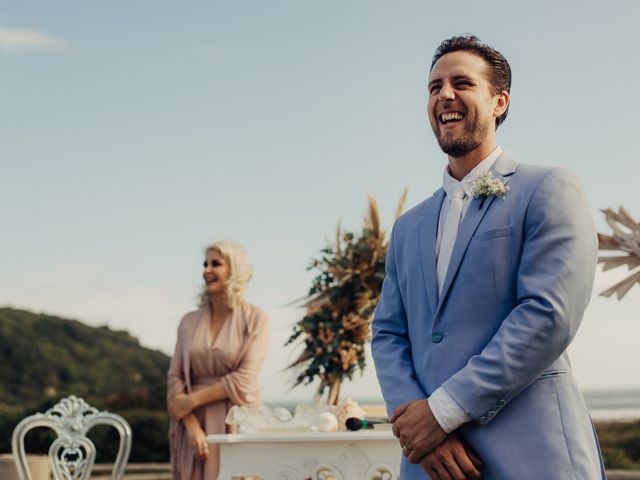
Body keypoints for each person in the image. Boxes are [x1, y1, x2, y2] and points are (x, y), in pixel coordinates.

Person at [371, 35, 606, 479]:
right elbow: (387, 333)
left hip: (532, 455)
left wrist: (441, 413)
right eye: (434, 86)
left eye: (461, 82)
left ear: (499, 101)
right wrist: (419, 429)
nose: (445, 95)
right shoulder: (408, 227)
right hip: (431, 463)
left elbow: (546, 315)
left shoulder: (548, 189)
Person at [167, 241, 269, 479]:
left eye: (216, 264)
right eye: (205, 264)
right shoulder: (188, 322)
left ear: (235, 270)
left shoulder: (256, 319)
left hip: (236, 420)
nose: (206, 270)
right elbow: (174, 376)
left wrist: (190, 400)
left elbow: (245, 378)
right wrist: (190, 424)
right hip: (192, 427)